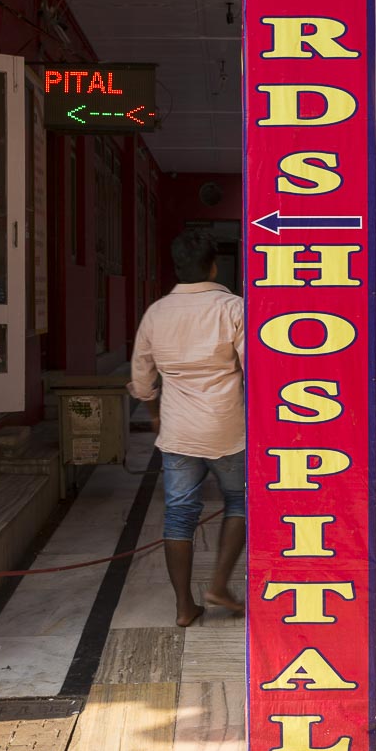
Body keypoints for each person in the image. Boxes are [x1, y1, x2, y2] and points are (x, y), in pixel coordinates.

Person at [127, 228, 245, 627]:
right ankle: (220, 585)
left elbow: (142, 381)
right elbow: (255, 370)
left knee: (179, 516)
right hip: (227, 428)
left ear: (177, 269)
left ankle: (183, 606)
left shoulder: (156, 313)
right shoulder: (233, 308)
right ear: (214, 266)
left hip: (178, 431)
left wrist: (155, 412)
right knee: (240, 502)